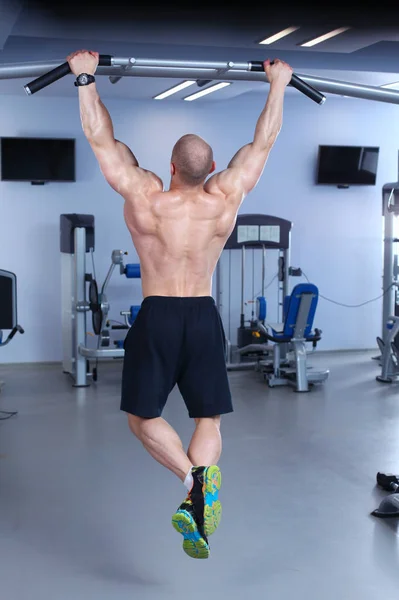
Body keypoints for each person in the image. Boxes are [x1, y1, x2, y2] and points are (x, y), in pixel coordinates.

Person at [67, 49, 293, 559]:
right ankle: (201, 485)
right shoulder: (226, 196)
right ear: (213, 167)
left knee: (142, 419)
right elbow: (264, 141)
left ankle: (193, 482)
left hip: (158, 314)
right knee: (207, 420)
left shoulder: (145, 195)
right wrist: (277, 85)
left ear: (169, 167)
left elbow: (100, 136)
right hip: (203, 314)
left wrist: (85, 77)